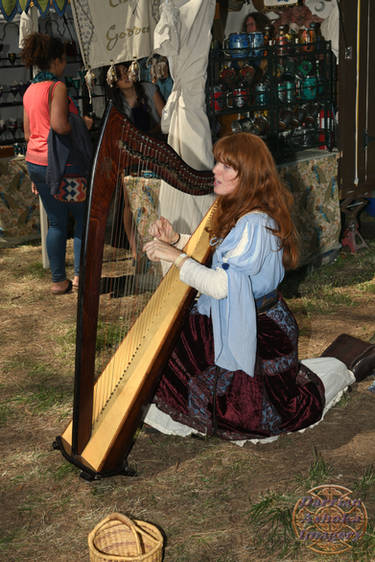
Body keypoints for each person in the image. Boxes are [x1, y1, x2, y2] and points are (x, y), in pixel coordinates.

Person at [143, 133, 351, 440]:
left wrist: (175, 257)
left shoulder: (256, 225)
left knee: (250, 412)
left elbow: (220, 285)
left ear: (250, 176)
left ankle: (340, 372)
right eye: (218, 163)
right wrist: (177, 241)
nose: (215, 170)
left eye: (227, 167)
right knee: (176, 337)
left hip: (262, 330)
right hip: (238, 315)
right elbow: (219, 257)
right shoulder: (240, 212)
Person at [22, 32, 93, 295]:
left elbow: (29, 134)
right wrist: (83, 123)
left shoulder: (30, 90)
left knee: (55, 222)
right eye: (64, 60)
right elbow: (60, 126)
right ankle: (79, 276)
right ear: (56, 61)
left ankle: (58, 280)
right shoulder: (57, 87)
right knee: (81, 219)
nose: (65, 65)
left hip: (36, 163)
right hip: (64, 165)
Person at [106, 62, 165, 138]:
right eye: (119, 76)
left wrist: (152, 133)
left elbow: (165, 118)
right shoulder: (118, 104)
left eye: (126, 71)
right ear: (115, 84)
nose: (125, 76)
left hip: (158, 138)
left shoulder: (148, 88)